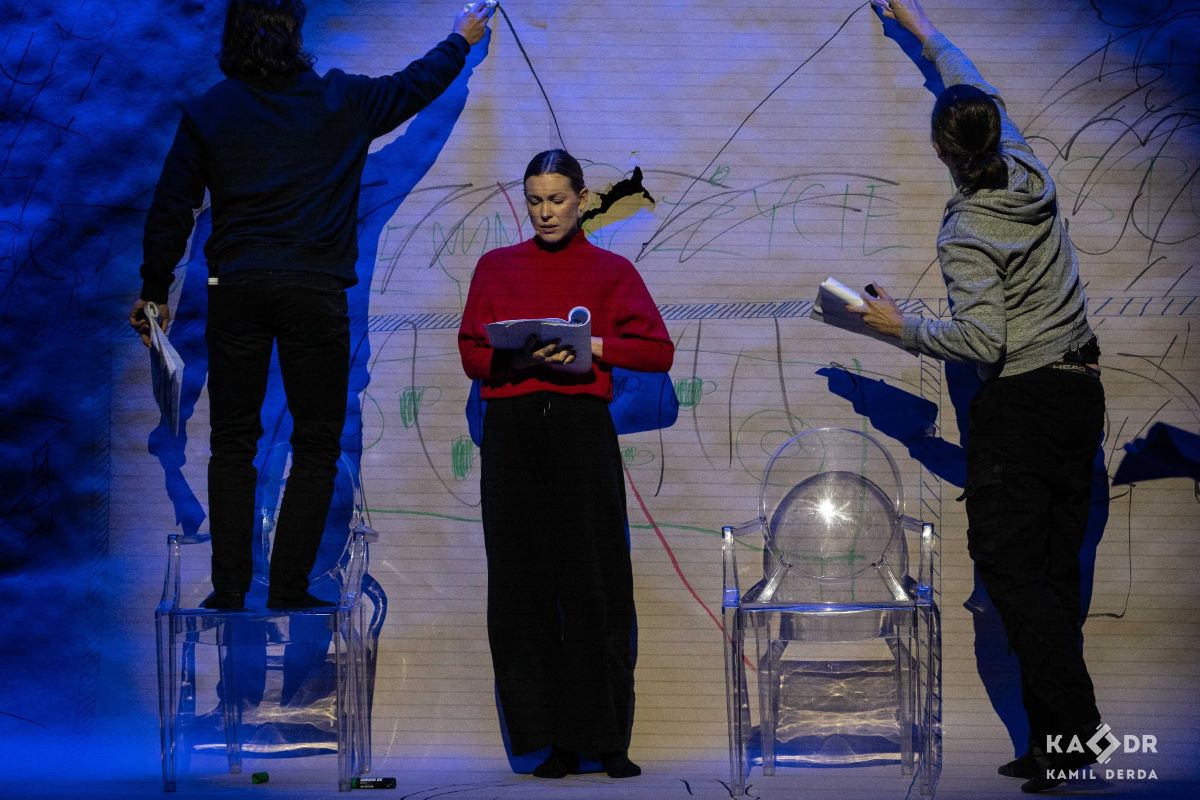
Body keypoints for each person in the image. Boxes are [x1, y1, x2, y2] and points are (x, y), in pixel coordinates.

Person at [130, 0, 494, 610]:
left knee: (233, 442)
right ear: (295, 32)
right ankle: (291, 586)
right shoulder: (339, 100)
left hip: (237, 289)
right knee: (318, 441)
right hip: (313, 291)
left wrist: (153, 288)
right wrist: (460, 39)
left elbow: (172, 206)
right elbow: (415, 86)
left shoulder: (211, 110)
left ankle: (229, 588)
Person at [855, 1, 1106, 793]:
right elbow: (973, 84)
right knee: (1051, 575)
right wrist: (922, 29)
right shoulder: (1027, 166)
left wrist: (898, 328)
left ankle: (1077, 737)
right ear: (994, 131)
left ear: (941, 152)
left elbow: (983, 340)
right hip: (1079, 395)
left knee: (1014, 575)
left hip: (1023, 405)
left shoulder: (967, 229)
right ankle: (1052, 745)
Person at [457, 149, 674, 780]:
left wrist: (592, 345)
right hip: (513, 431)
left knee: (593, 581)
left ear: (581, 199)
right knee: (523, 584)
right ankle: (549, 740)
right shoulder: (497, 266)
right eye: (535, 200)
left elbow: (658, 351)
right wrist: (523, 355)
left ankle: (604, 738)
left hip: (580, 430)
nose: (545, 212)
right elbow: (471, 354)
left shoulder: (610, 270)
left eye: (556, 199)